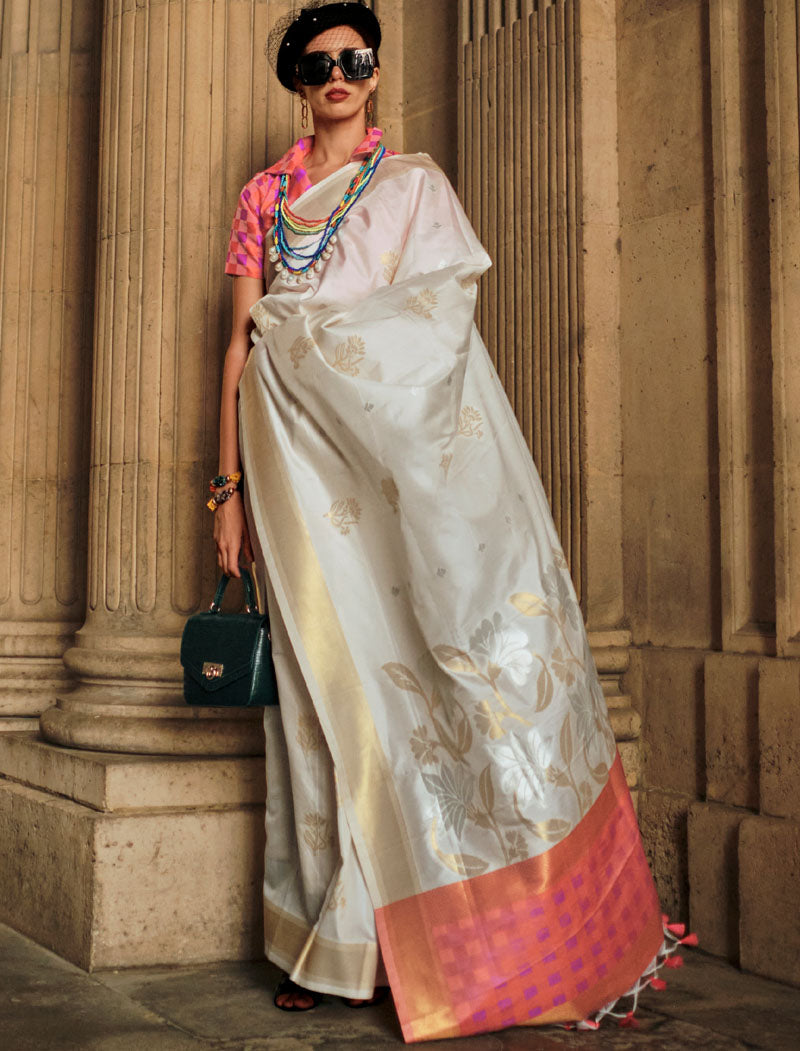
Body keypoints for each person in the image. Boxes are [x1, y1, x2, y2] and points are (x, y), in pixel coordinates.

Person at [212, 1, 693, 1041]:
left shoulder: (415, 186)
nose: (335, 73)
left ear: (375, 74)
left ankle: (477, 940)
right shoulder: (262, 196)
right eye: (314, 62)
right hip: (293, 476)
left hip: (402, 475)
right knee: (321, 706)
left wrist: (319, 345)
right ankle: (332, 944)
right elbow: (243, 345)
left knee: (435, 682)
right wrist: (225, 491)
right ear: (296, 78)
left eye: (352, 59)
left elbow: (433, 333)